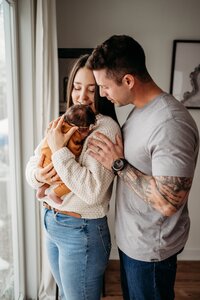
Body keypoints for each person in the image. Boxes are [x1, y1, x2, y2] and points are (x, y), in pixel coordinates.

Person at [86, 35, 199, 300]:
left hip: (151, 253)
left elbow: (168, 201)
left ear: (128, 80)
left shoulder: (170, 123)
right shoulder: (140, 110)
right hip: (134, 243)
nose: (102, 94)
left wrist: (117, 165)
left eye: (104, 86)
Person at [25, 54, 121, 300]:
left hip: (81, 231)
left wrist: (59, 151)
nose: (82, 97)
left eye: (92, 89)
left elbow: (92, 191)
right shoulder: (65, 120)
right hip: (52, 221)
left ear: (102, 91)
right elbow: (33, 163)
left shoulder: (104, 128)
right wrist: (39, 175)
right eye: (77, 88)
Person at [36, 104, 96, 204]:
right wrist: (79, 150)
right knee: (71, 182)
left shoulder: (56, 127)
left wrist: (37, 175)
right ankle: (55, 194)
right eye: (88, 128)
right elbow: (74, 150)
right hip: (54, 166)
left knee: (47, 179)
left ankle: (41, 190)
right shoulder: (74, 134)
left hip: (44, 162)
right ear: (81, 129)